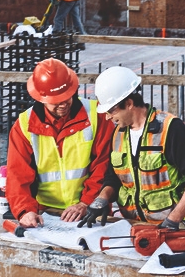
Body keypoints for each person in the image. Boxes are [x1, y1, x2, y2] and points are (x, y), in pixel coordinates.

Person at [78, 66, 185, 229]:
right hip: (135, 226)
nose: (107, 117)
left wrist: (173, 221)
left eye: (111, 110)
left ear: (128, 103)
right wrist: (101, 199)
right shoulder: (118, 134)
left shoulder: (170, 128)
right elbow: (113, 178)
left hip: (174, 227)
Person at [6, 58, 115, 227]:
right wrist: (25, 211)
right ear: (41, 98)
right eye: (56, 101)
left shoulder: (97, 116)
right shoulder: (24, 126)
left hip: (91, 209)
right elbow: (17, 175)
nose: (64, 104)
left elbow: (104, 166)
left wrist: (86, 203)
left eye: (67, 96)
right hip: (45, 213)